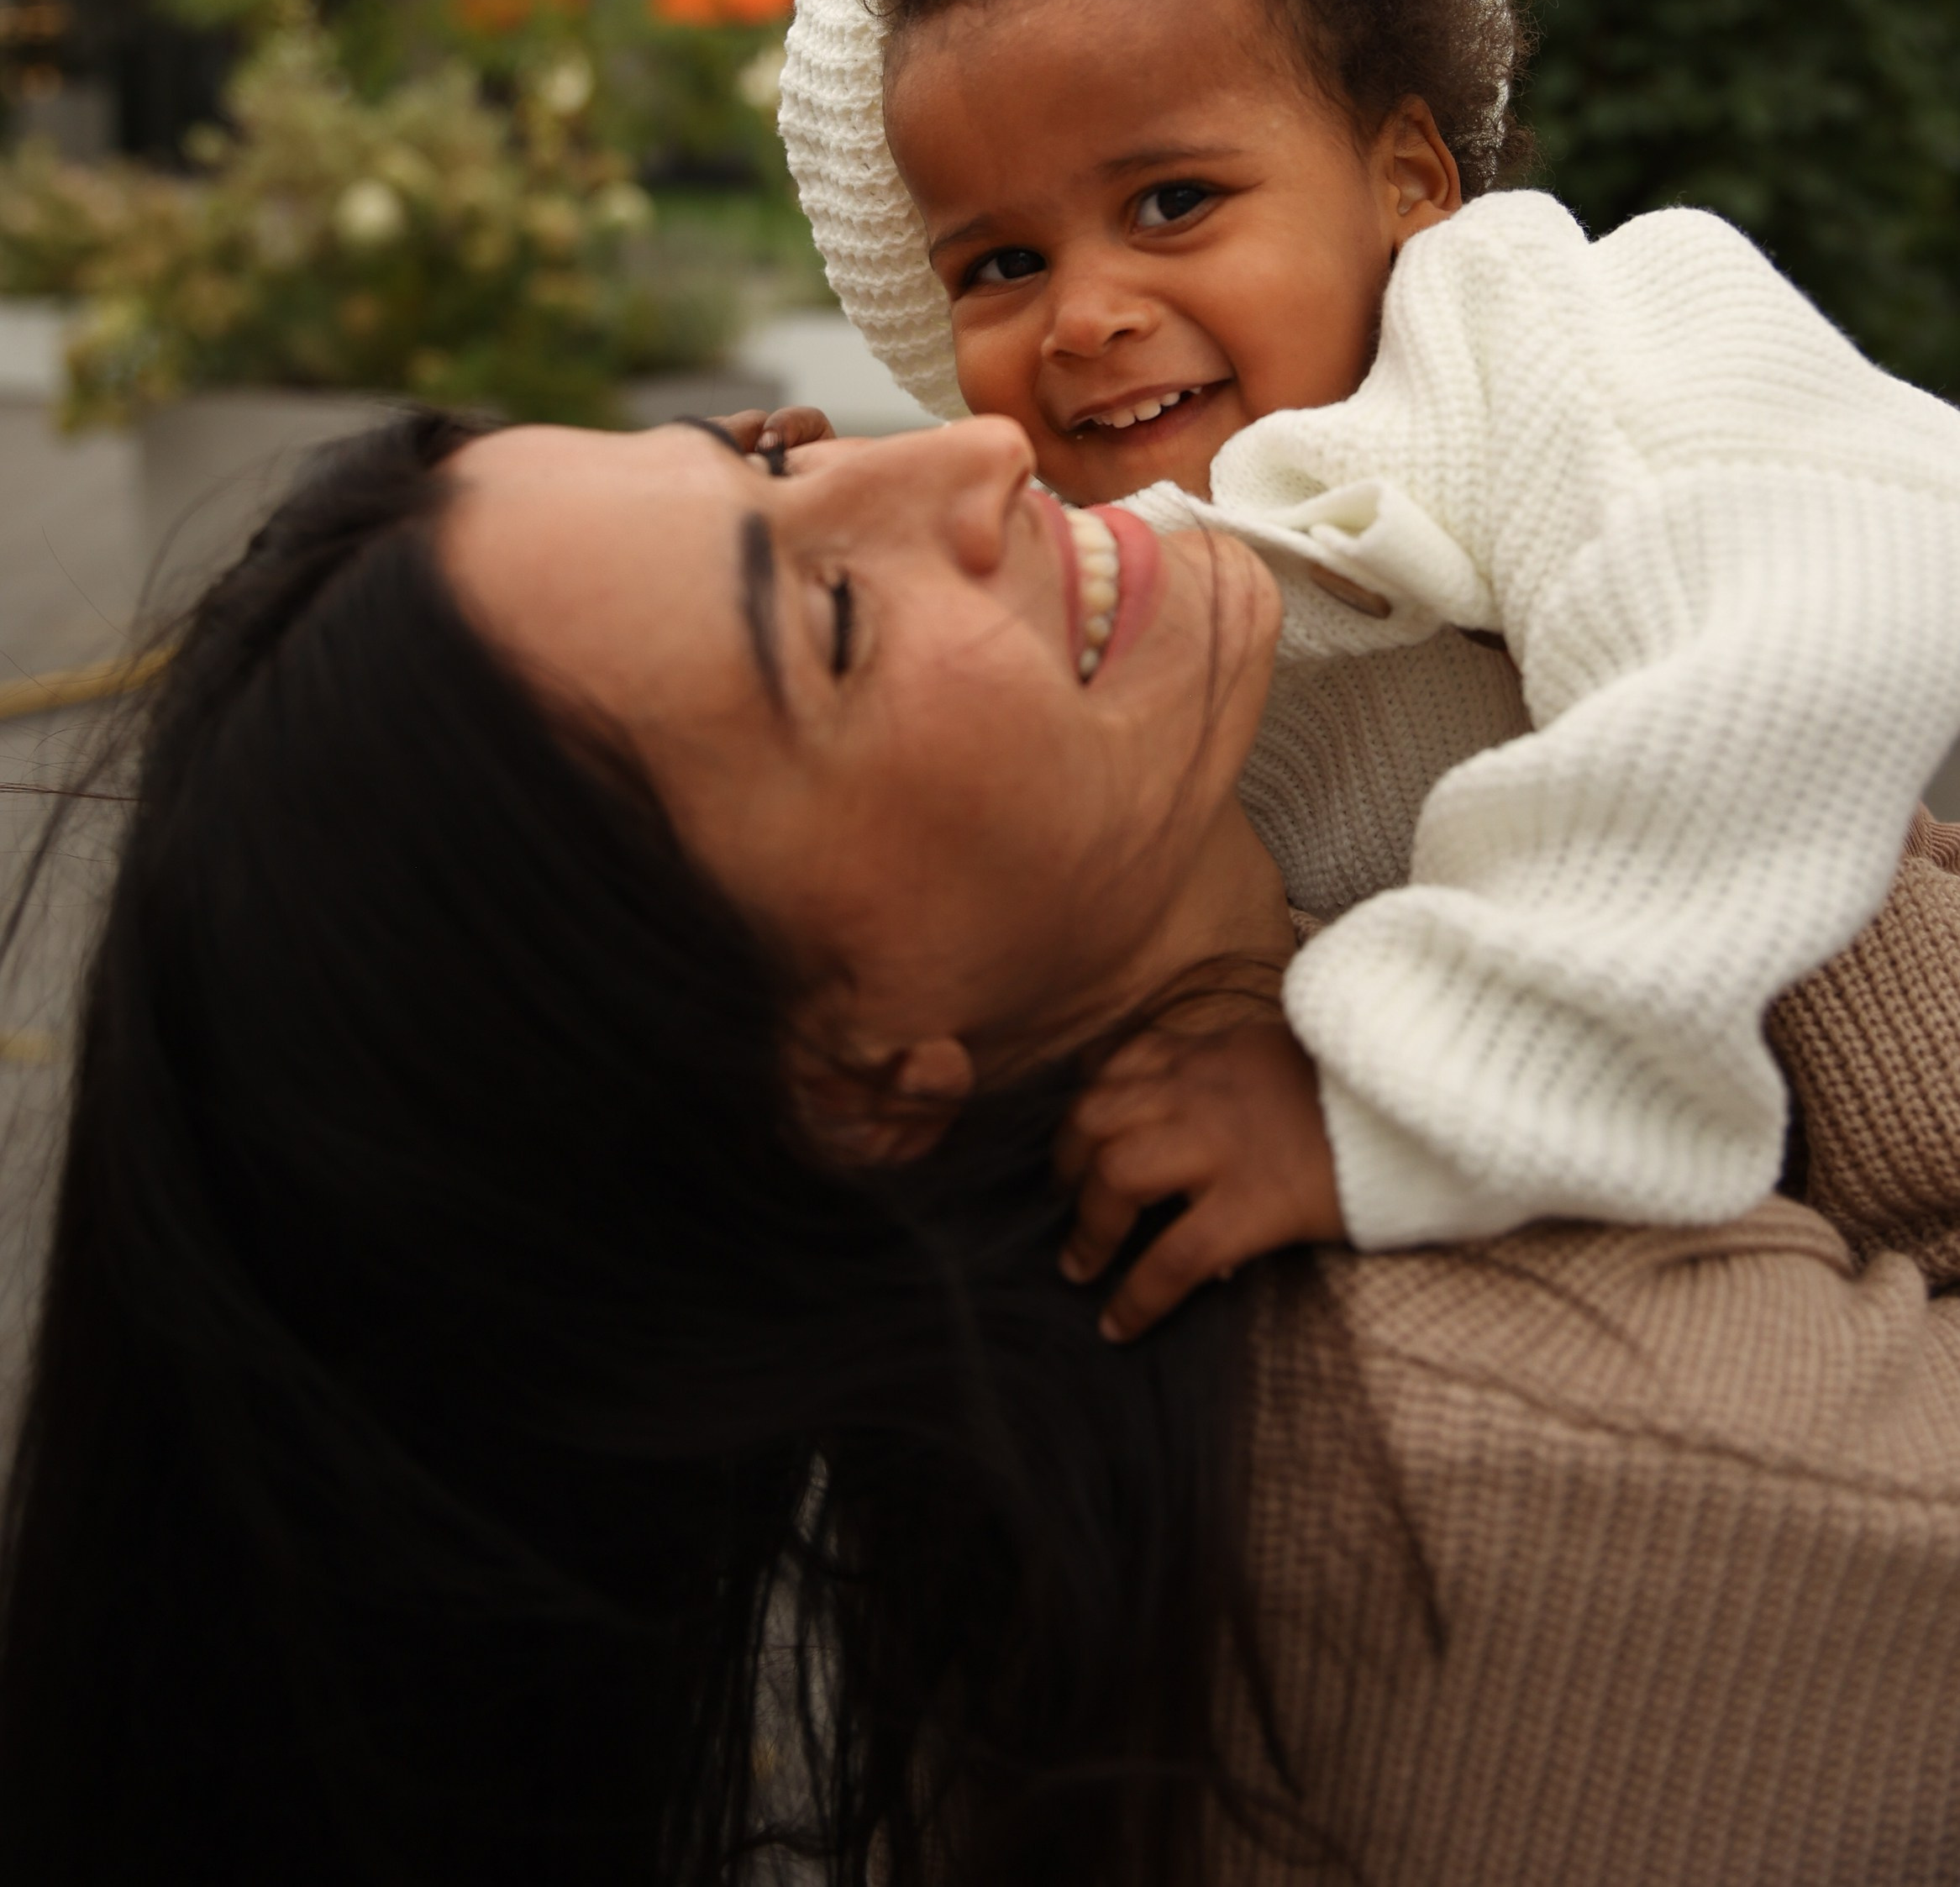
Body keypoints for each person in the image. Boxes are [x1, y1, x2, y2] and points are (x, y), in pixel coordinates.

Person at [2, 409, 1959, 1887]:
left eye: (772, 456)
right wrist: (1739, 754)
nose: (977, 443)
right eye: (833, 617)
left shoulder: (1061, 1382)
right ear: (848, 1074)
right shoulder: (1485, 1457)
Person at [773, 0, 1960, 1322]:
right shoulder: (1100, 560)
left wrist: (1407, 1083)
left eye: (1170, 203)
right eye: (998, 265)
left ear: (1406, 179)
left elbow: (1781, 645)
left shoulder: (1546, 334)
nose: (1084, 315)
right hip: (1716, 1246)